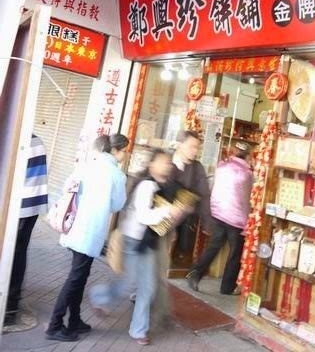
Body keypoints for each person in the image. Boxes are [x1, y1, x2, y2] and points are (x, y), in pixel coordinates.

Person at [89, 149, 184, 346]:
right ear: (152, 165)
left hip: (147, 243)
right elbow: (144, 216)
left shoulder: (160, 186)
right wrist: (169, 211)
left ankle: (139, 329)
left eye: (168, 163)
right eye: (163, 162)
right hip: (134, 241)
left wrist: (173, 215)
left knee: (146, 287)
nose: (167, 165)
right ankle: (98, 296)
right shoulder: (147, 185)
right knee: (129, 284)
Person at [45, 133, 128, 342]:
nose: (125, 155)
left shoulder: (86, 165)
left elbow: (67, 187)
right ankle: (54, 326)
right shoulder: (116, 175)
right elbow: (117, 205)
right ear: (114, 151)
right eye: (124, 150)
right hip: (90, 232)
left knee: (80, 277)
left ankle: (75, 320)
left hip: (74, 227)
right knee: (75, 278)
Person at [186, 141, 253, 295]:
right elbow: (245, 199)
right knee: (235, 253)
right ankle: (227, 287)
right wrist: (246, 221)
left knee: (213, 247)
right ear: (248, 156)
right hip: (236, 218)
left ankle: (195, 274)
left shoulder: (222, 166)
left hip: (218, 213)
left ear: (234, 152)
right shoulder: (247, 174)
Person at [4, 134, 48, 327]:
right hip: (30, 205)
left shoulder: (19, 139)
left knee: (14, 254)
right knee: (18, 253)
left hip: (20, 206)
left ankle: (9, 307)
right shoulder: (34, 140)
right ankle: (11, 305)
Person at [170, 130, 211, 259]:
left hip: (179, 221)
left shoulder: (197, 168)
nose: (195, 151)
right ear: (179, 144)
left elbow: (204, 195)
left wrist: (207, 223)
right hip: (156, 217)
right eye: (191, 147)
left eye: (197, 147)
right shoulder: (165, 160)